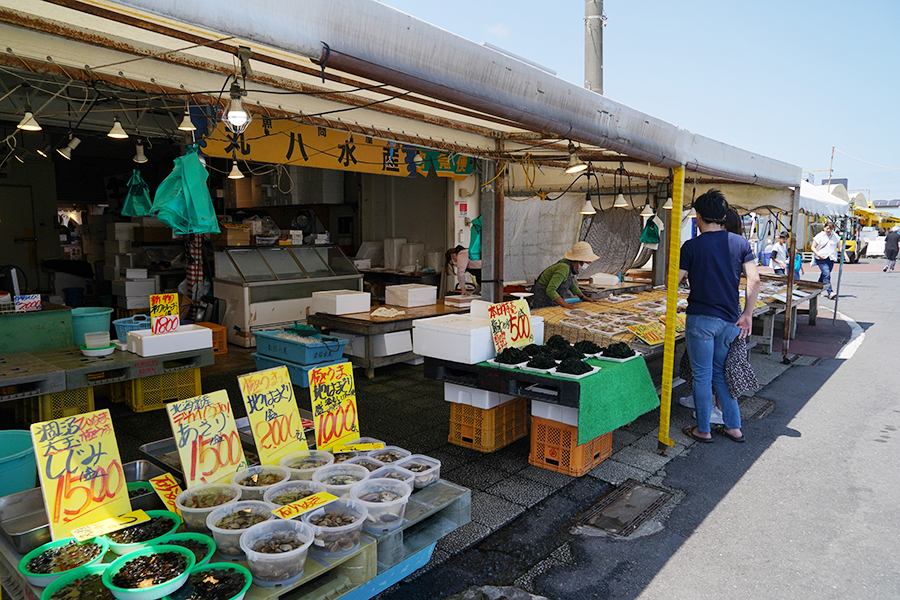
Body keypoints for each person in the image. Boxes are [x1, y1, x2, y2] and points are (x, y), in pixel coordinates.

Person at [678, 189, 758, 444]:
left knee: (701, 376)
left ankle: (704, 429)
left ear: (698, 216)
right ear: (723, 216)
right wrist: (747, 314)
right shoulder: (741, 244)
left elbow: (674, 282)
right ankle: (734, 427)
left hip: (700, 319)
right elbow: (754, 280)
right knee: (720, 373)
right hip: (729, 320)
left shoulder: (691, 246)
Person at [528, 241, 601, 309]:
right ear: (580, 260)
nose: (589, 263)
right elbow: (550, 290)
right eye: (588, 261)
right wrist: (567, 306)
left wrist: (583, 297)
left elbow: (570, 284)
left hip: (551, 302)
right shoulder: (563, 268)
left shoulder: (570, 267)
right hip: (543, 301)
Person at [810, 222, 841, 299]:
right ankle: (830, 292)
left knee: (824, 275)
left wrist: (845, 255)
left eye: (830, 229)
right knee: (826, 274)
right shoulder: (820, 236)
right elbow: (813, 247)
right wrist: (818, 254)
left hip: (831, 258)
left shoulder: (835, 236)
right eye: (827, 228)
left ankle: (816, 290)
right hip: (821, 258)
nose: (828, 230)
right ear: (824, 228)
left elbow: (840, 246)